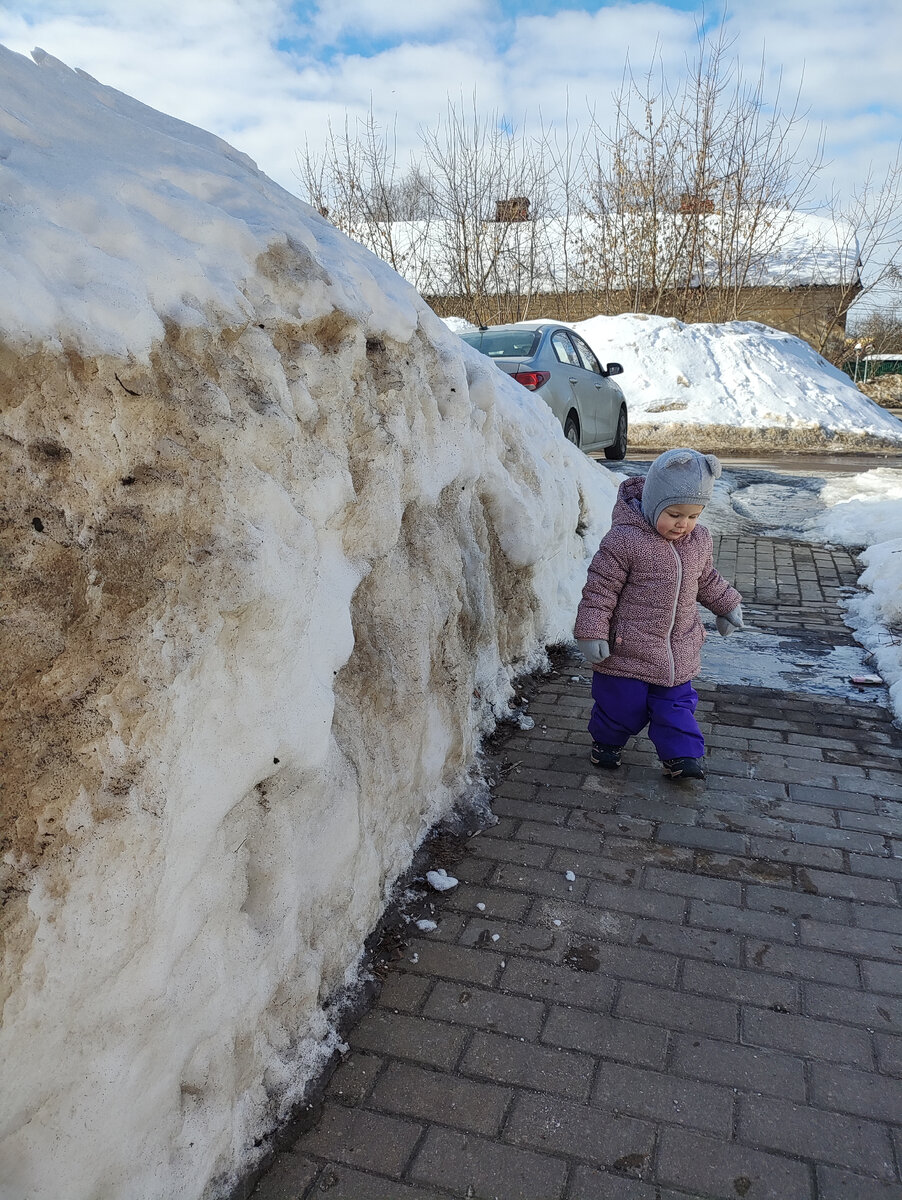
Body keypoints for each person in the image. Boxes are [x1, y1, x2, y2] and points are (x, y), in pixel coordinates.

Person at [574, 448, 744, 780]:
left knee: (676, 706)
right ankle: (606, 743)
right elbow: (600, 589)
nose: (684, 524)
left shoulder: (698, 541)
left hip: (678, 651)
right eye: (675, 514)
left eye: (693, 516)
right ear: (653, 502)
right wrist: (591, 631)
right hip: (628, 650)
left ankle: (681, 756)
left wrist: (726, 605)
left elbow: (706, 579)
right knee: (621, 706)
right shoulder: (625, 541)